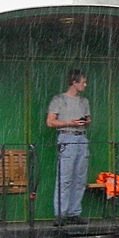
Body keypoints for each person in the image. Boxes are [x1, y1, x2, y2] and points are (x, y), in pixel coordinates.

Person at [46, 69, 91, 224]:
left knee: (80, 178)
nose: (85, 85)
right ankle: (60, 213)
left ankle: (74, 212)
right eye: (83, 82)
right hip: (67, 136)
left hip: (82, 137)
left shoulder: (84, 102)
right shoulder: (59, 100)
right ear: (74, 82)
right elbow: (50, 122)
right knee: (64, 177)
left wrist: (84, 122)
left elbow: (88, 120)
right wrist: (69, 123)